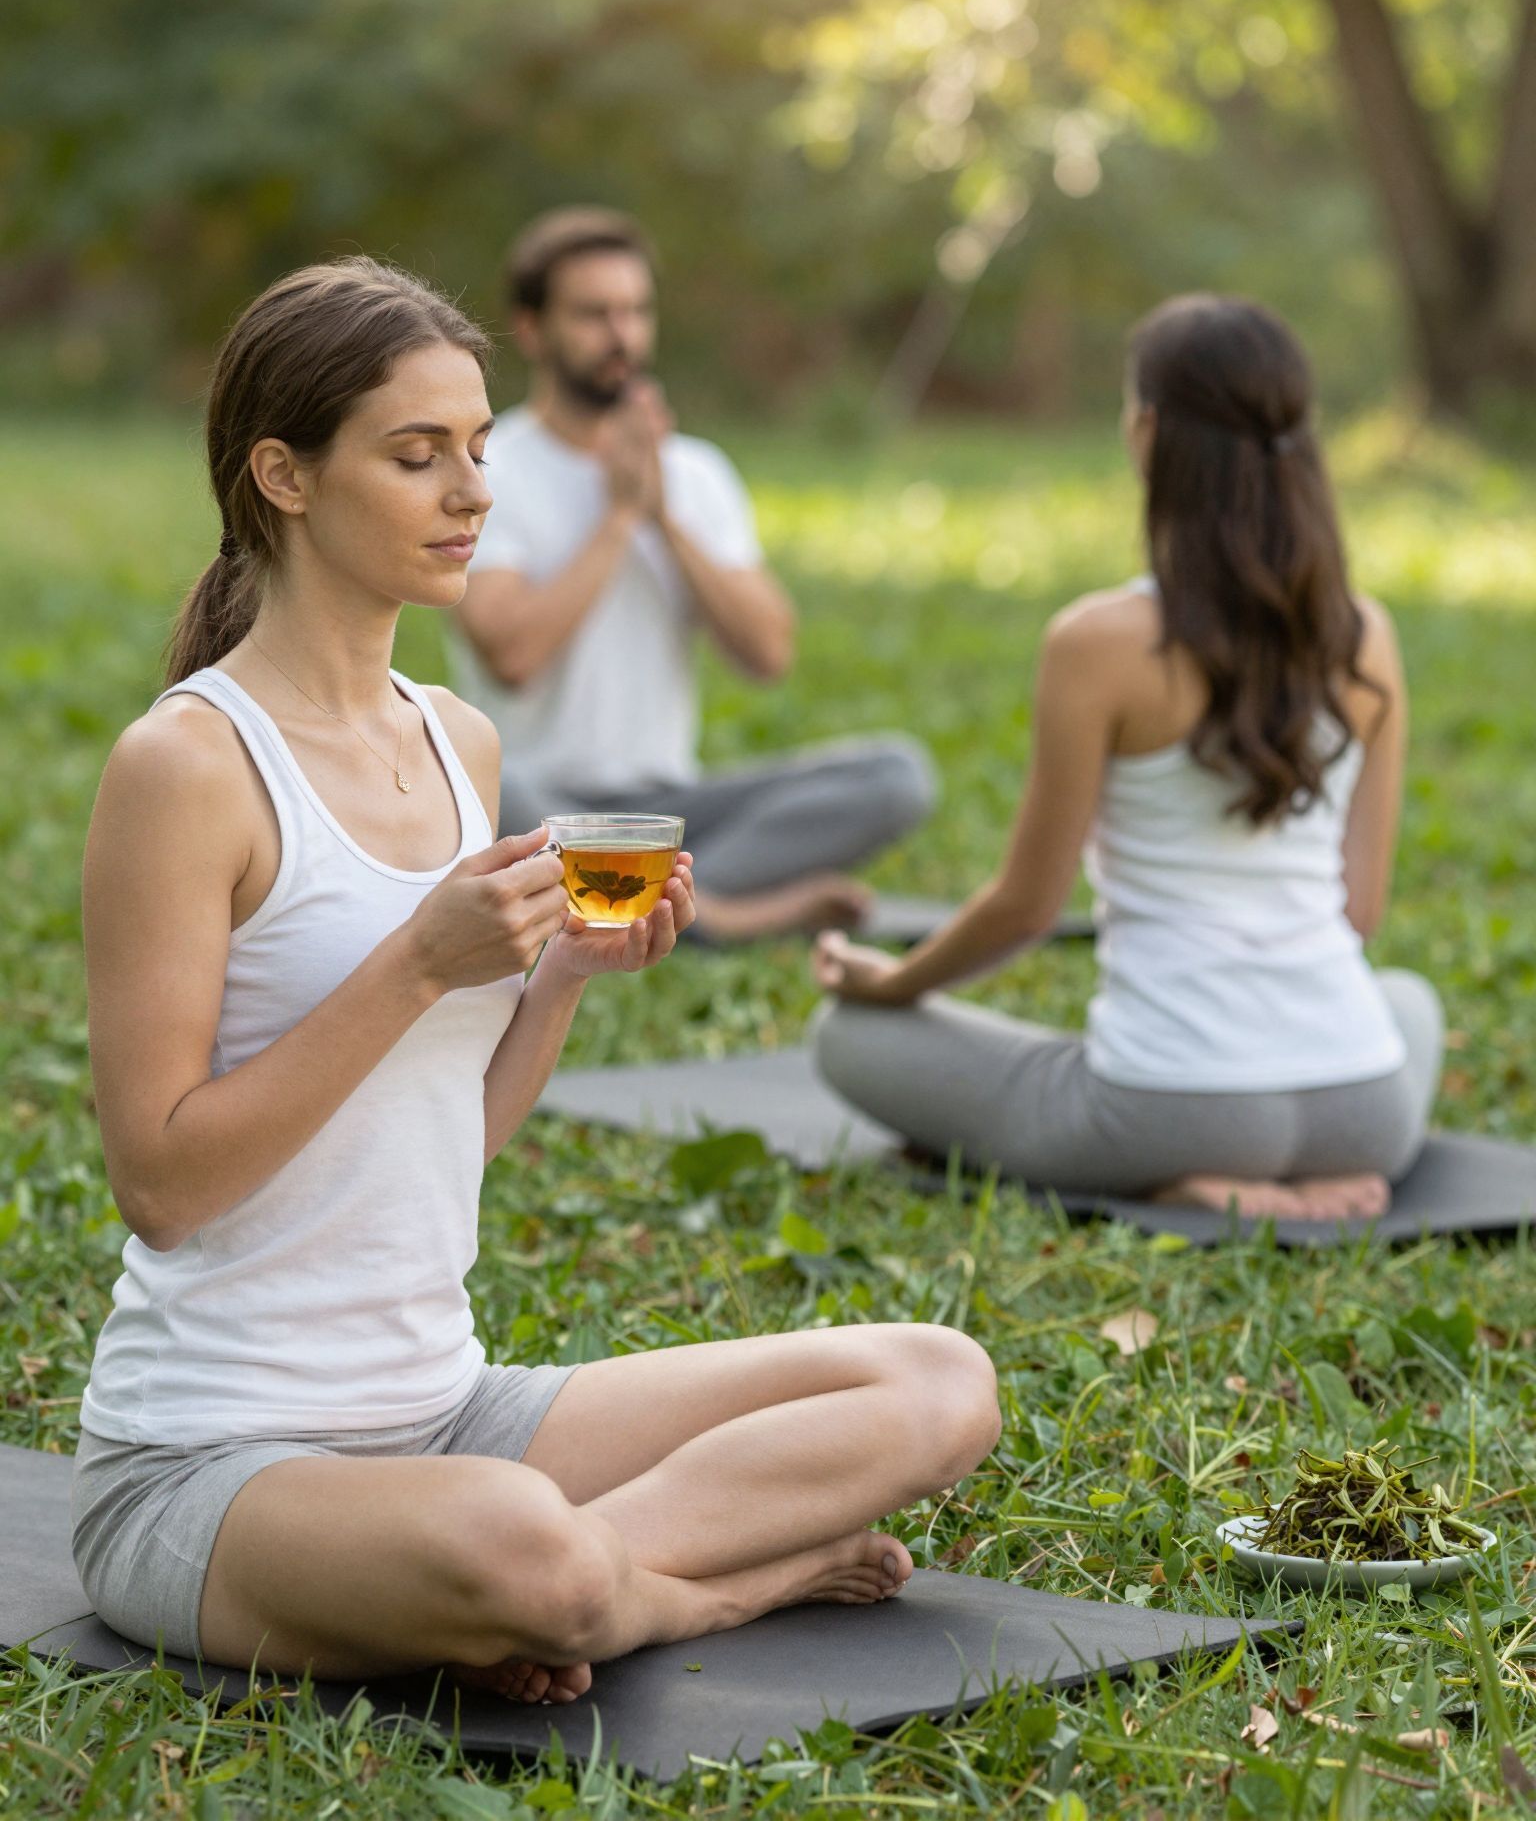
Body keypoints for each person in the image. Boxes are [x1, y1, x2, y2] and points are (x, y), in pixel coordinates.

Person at [70, 257, 999, 1706]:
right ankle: (709, 1580)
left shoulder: (461, 744)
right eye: (416, 454)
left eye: (481, 448)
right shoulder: (187, 768)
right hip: (214, 1463)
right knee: (529, 1551)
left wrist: (556, 974)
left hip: (450, 1414)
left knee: (939, 1381)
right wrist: (414, 964)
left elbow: (450, 1144)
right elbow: (163, 1187)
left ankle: (569, 1593)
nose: (473, 492)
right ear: (285, 475)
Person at [813, 295, 1443, 1224]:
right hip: (1365, 1110)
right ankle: (1285, 1178)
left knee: (848, 1036)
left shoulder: (1098, 643)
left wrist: (892, 980)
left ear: (1147, 431)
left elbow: (1028, 907)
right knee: (1408, 1001)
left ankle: (1193, 1187)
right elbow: (1363, 909)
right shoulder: (1366, 635)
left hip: (1167, 1111)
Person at [450, 207, 937, 943]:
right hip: (540, 804)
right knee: (483, 786)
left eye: (636, 311)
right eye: (594, 314)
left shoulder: (694, 473)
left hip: (667, 811)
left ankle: (669, 901)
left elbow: (768, 654)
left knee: (896, 775)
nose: (623, 335)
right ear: (532, 328)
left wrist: (663, 517)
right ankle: (703, 914)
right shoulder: (490, 468)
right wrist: (615, 519)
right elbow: (512, 657)